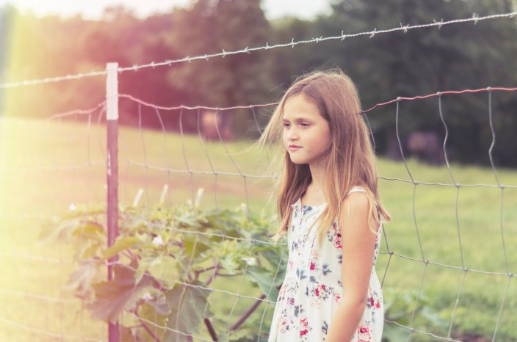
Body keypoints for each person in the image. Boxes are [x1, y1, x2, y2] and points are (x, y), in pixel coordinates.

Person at [260, 69, 391, 342]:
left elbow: (355, 299)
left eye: (304, 125)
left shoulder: (354, 203)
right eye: (287, 125)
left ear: (338, 128)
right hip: (295, 327)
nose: (291, 135)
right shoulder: (302, 195)